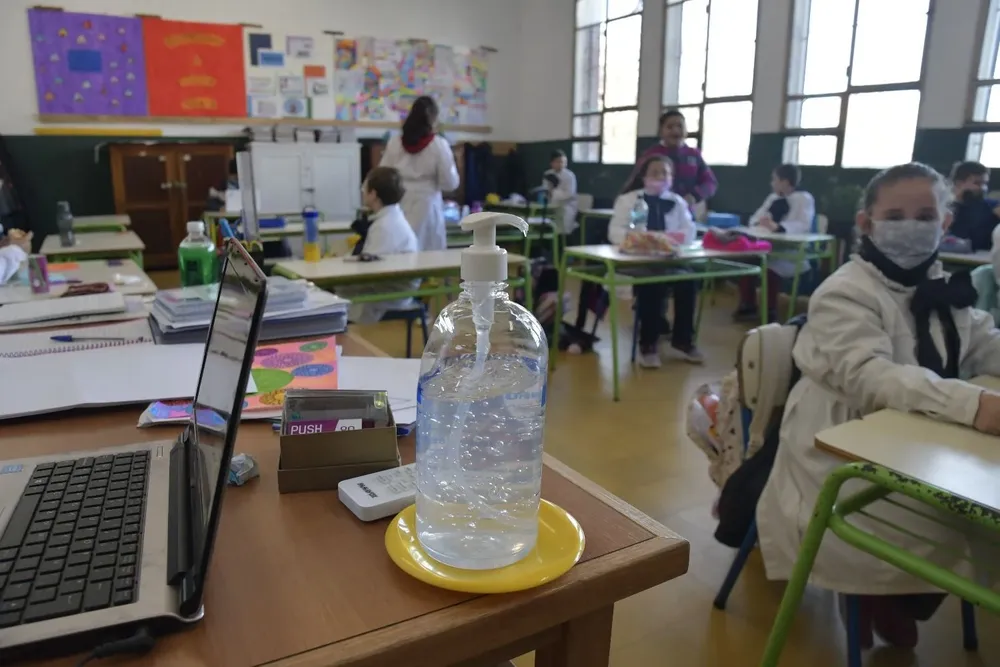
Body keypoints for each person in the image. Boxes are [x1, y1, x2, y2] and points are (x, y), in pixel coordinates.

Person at [756, 162, 1000, 649]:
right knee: (953, 522)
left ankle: (901, 595)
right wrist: (973, 403)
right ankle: (882, 594)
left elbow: (981, 341)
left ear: (945, 224)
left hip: (922, 435)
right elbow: (870, 378)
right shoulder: (845, 290)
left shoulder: (941, 283)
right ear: (867, 223)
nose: (912, 225)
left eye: (925, 214)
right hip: (842, 443)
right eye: (895, 214)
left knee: (977, 517)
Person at [608, 156, 701, 368]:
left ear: (672, 178)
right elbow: (614, 231)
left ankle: (683, 339)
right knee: (652, 281)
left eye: (665, 173)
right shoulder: (629, 200)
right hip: (637, 260)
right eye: (655, 172)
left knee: (689, 280)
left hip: (669, 259)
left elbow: (689, 231)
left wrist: (668, 239)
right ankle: (648, 343)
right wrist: (640, 240)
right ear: (644, 176)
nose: (660, 177)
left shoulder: (677, 202)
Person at [735, 164, 816, 322]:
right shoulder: (773, 198)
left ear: (785, 182)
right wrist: (762, 222)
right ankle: (748, 304)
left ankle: (769, 310)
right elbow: (755, 218)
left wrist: (779, 227)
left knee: (770, 271)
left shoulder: (803, 199)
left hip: (791, 253)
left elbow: (803, 224)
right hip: (769, 248)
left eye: (775, 180)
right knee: (747, 263)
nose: (772, 183)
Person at [339, 167, 420, 324]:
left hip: (391, 293)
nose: (362, 192)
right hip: (395, 285)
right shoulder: (390, 218)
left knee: (333, 297)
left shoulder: (385, 225)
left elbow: (367, 269)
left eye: (365, 188)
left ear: (374, 194)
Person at [379, 96, 460, 251]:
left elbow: (383, 174)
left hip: (400, 201)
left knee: (403, 249)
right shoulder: (438, 145)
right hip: (428, 204)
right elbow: (450, 183)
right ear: (433, 119)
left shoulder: (395, 142)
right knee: (428, 253)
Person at [622, 110, 717, 214]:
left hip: (685, 214)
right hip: (655, 212)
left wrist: (694, 196)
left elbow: (710, 182)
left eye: (680, 126)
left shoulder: (694, 155)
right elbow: (635, 184)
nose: (675, 131)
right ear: (661, 131)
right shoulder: (651, 155)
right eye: (670, 127)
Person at [948, 161, 1000, 252]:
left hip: (981, 259)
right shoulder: (945, 207)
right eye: (977, 183)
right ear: (959, 183)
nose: (983, 188)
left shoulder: (992, 206)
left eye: (985, 183)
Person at [541, 150, 578, 235]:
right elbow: (545, 190)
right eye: (558, 162)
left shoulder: (569, 175)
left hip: (566, 205)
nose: (561, 164)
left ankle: (562, 241)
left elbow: (569, 193)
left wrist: (553, 192)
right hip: (550, 204)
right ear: (552, 163)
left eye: (563, 162)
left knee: (563, 225)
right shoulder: (548, 174)